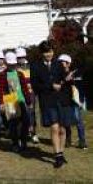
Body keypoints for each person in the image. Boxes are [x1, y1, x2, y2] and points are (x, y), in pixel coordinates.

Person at [31, 40, 75, 168]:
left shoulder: (58, 64)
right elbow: (35, 85)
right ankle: (57, 155)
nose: (48, 54)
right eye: (45, 52)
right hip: (47, 100)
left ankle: (61, 153)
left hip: (62, 99)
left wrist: (67, 77)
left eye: (50, 51)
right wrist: (51, 86)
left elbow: (65, 81)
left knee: (62, 128)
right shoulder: (35, 66)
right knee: (54, 127)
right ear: (41, 53)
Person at [0, 52, 31, 153]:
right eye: (10, 64)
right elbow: (0, 89)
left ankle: (24, 142)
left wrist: (28, 100)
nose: (12, 66)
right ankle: (15, 143)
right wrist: (1, 103)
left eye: (14, 64)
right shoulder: (2, 75)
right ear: (6, 63)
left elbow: (25, 88)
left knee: (25, 122)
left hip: (21, 101)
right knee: (13, 124)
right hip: (10, 102)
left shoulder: (20, 74)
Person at [59, 55, 88, 150]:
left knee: (78, 120)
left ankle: (82, 141)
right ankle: (68, 140)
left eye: (62, 61)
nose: (60, 63)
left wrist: (81, 100)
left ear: (68, 63)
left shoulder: (76, 74)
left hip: (76, 100)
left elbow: (80, 87)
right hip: (65, 100)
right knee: (66, 121)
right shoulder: (59, 74)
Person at [16, 46, 39, 144]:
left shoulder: (31, 67)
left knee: (31, 113)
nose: (20, 59)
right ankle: (22, 135)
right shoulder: (15, 68)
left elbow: (34, 80)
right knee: (20, 115)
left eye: (22, 57)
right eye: (18, 57)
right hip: (19, 95)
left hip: (30, 94)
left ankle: (33, 133)